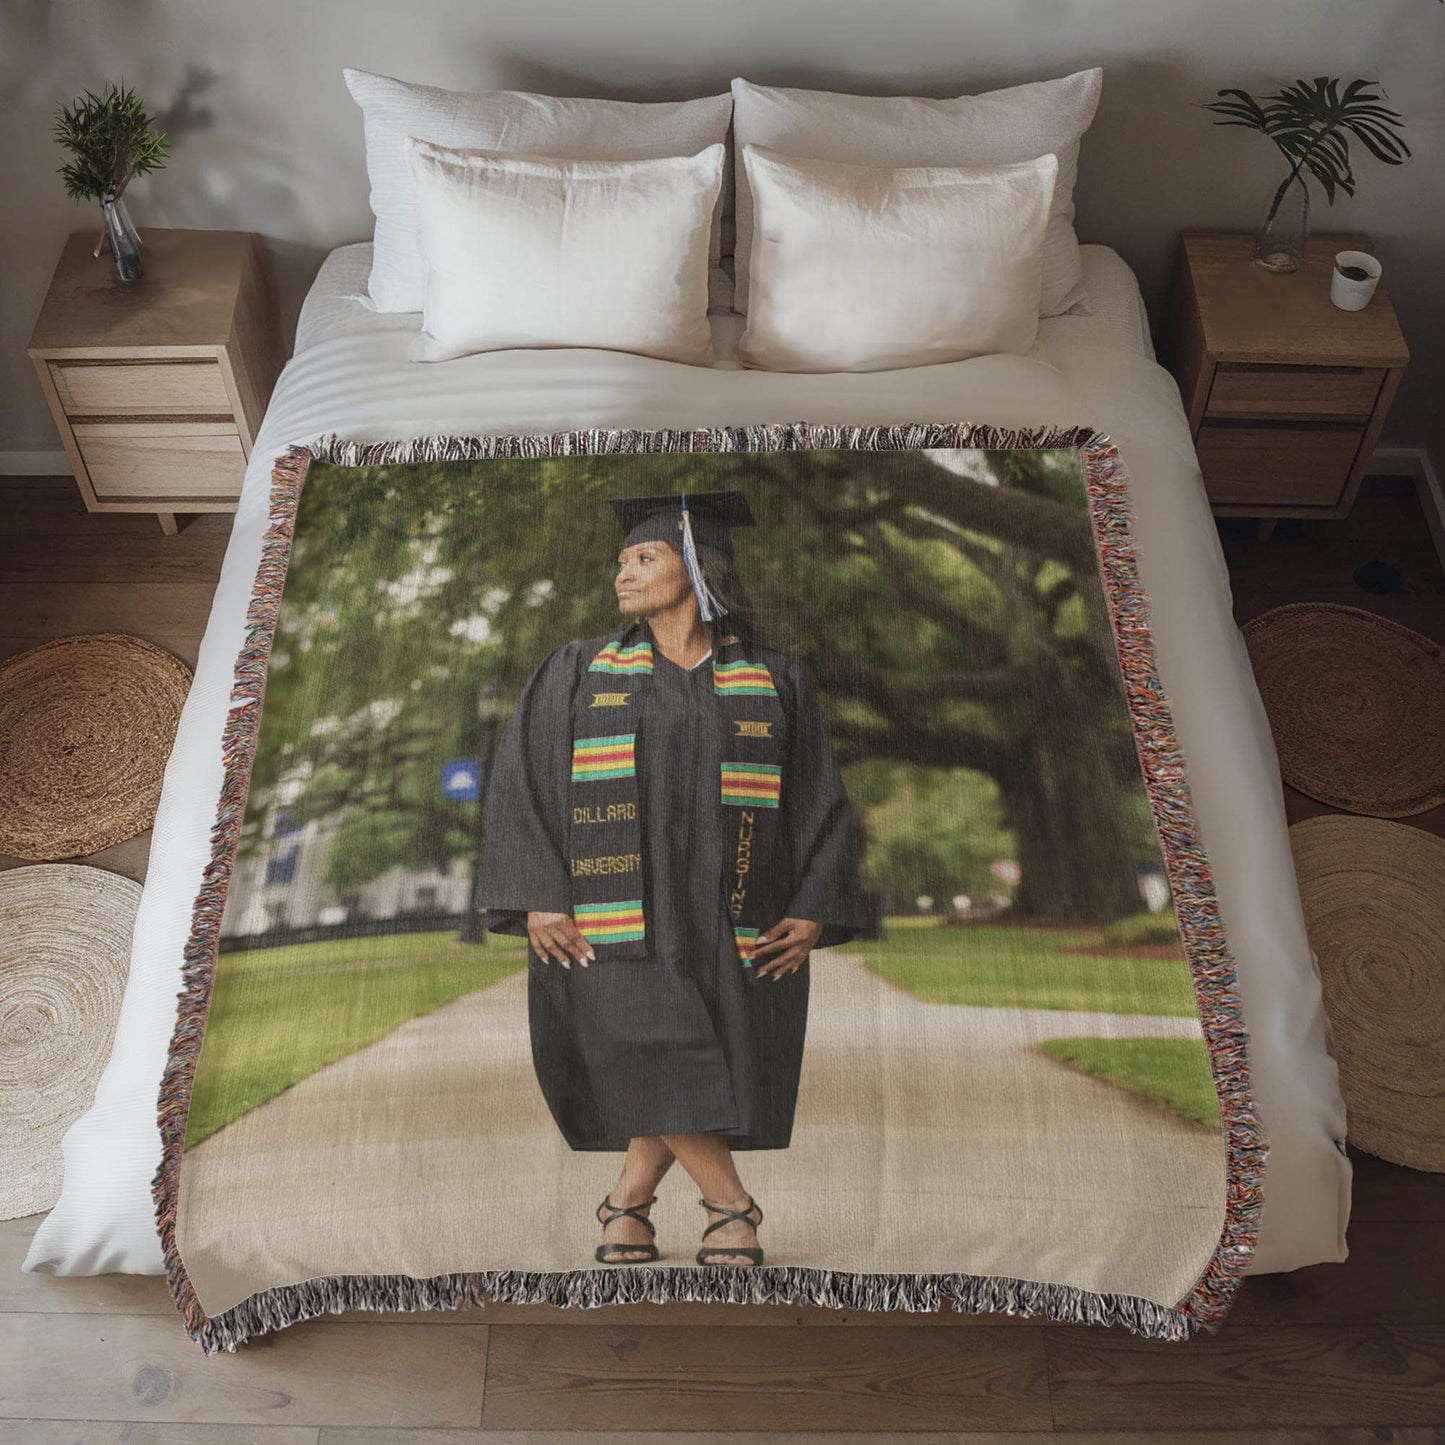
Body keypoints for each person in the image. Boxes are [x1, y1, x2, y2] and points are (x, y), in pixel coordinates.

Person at [476, 488, 864, 1268]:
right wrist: (539, 894)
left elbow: (818, 798)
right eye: (620, 560)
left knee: (687, 1053)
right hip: (610, 913)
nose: (621, 573)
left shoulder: (774, 680)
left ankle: (627, 1205)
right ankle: (731, 1209)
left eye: (643, 557)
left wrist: (814, 905)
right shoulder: (576, 670)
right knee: (652, 1043)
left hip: (732, 912)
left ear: (697, 565)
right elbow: (521, 782)